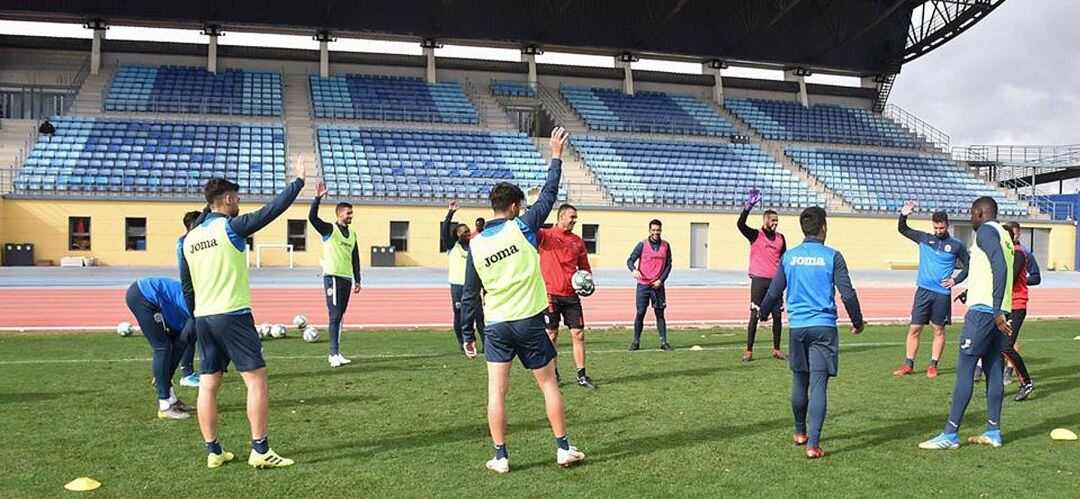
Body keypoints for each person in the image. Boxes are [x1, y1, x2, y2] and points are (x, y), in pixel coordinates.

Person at [460, 127, 585, 473]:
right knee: (548, 384)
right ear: (514, 207)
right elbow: (548, 195)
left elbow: (470, 293)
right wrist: (556, 156)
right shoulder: (523, 226)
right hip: (530, 322)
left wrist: (468, 335)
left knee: (497, 392)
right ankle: (562, 448)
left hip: (496, 325)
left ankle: (500, 457)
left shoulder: (477, 243)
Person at [180, 162, 304, 469]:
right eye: (237, 198)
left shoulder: (190, 239)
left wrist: (196, 313)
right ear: (227, 201)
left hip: (204, 317)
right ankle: (260, 450)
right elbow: (271, 211)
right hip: (233, 315)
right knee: (256, 381)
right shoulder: (230, 228)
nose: (240, 203)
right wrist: (298, 182)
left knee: (209, 384)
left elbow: (187, 284)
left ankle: (213, 451)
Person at [757, 206, 864, 459]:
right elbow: (847, 293)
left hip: (798, 327)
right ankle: (813, 445)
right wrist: (858, 321)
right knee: (818, 385)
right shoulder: (833, 256)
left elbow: (774, 292)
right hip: (823, 327)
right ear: (824, 227)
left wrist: (762, 313)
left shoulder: (790, 257)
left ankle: (799, 432)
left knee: (799, 380)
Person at [920, 196, 1014, 451]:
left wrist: (993, 307)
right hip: (1000, 310)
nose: (971, 219)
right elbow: (995, 269)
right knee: (994, 367)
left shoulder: (984, 231)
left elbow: (1000, 267)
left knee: (965, 368)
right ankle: (993, 430)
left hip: (985, 313)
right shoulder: (1004, 234)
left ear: (979, 212)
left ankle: (950, 433)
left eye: (972, 214)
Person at [892, 201, 969, 378]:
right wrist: (904, 214)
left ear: (947, 225)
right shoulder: (924, 238)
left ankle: (933, 365)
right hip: (923, 292)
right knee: (914, 328)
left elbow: (969, 265)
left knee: (938, 330)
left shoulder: (956, 245)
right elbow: (903, 229)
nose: (938, 231)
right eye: (936, 227)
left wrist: (955, 280)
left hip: (942, 294)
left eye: (941, 228)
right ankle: (908, 364)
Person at [538, 203, 595, 388]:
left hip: (571, 296)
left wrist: (587, 282)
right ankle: (554, 375)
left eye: (575, 217)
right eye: (572, 217)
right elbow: (527, 228)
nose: (574, 220)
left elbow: (585, 268)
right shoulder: (544, 235)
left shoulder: (577, 241)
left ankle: (582, 375)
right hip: (550, 294)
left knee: (578, 334)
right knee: (551, 334)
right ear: (561, 216)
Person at [125, 277, 196, 420]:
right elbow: (181, 345)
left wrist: (165, 374)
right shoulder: (195, 313)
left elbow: (179, 347)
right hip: (142, 295)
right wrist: (163, 374)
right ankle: (165, 406)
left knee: (170, 347)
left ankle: (172, 400)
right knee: (162, 348)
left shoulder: (194, 316)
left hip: (155, 299)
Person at [309, 180, 362, 367]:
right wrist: (317, 199)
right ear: (339, 214)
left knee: (340, 316)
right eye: (348, 213)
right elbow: (312, 219)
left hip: (347, 278)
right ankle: (332, 354)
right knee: (334, 315)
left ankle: (337, 353)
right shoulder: (329, 230)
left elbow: (355, 257)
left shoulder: (353, 235)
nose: (351, 216)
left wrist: (358, 279)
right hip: (332, 276)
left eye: (352, 213)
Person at [737, 188, 787, 362]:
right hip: (759, 280)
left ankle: (777, 349)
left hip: (775, 282)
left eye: (777, 221)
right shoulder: (755, 235)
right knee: (755, 315)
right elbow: (740, 225)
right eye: (772, 220)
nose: (775, 223)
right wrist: (748, 208)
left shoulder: (781, 238)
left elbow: (783, 261)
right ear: (765, 220)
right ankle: (749, 351)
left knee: (778, 316)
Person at [1001, 221, 1039, 401]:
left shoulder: (1019, 253)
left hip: (1016, 305)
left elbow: (1009, 279)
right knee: (996, 347)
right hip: (1004, 305)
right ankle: (995, 386)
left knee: (1006, 346)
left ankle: (1027, 382)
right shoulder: (1006, 253)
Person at [442, 201, 484, 353]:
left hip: (472, 287)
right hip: (458, 287)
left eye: (468, 231)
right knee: (459, 315)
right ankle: (462, 343)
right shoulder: (452, 247)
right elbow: (444, 231)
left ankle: (486, 345)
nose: (467, 233)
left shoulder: (474, 247)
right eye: (464, 231)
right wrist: (450, 213)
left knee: (479, 316)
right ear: (457, 234)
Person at [626, 219, 672, 351]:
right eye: (653, 230)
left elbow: (669, 265)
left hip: (658, 286)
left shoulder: (666, 246)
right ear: (649, 231)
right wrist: (634, 270)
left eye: (658, 230)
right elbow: (630, 260)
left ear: (661, 230)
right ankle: (636, 342)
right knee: (640, 313)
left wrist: (661, 280)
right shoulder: (642, 244)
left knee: (660, 314)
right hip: (643, 285)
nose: (656, 232)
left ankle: (664, 342)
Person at [178, 210, 205, 388]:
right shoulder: (185, 242)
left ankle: (194, 371)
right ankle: (185, 373)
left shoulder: (190, 241)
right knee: (190, 331)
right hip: (192, 294)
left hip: (200, 292)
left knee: (195, 331)